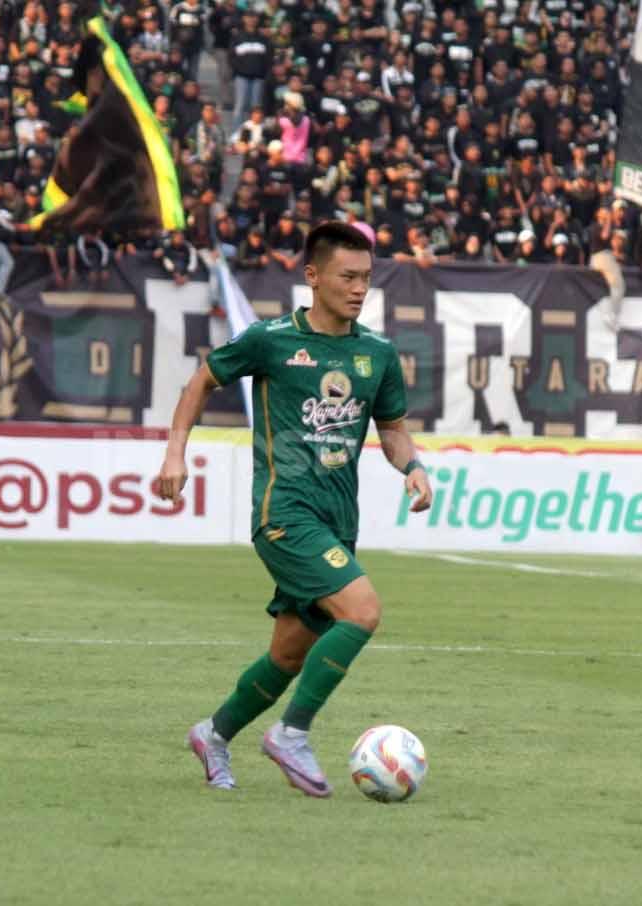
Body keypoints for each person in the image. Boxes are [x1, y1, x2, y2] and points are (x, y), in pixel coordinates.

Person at [156, 221, 432, 796]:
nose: (359, 289)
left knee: (286, 655)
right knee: (362, 611)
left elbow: (395, 430)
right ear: (313, 277)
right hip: (283, 512)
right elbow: (201, 382)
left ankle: (214, 733)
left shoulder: (376, 353)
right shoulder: (271, 339)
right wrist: (175, 454)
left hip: (339, 519)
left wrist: (413, 467)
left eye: (366, 278)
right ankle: (291, 734)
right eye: (347, 277)